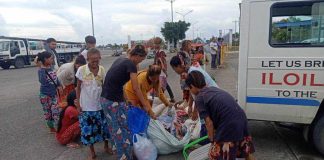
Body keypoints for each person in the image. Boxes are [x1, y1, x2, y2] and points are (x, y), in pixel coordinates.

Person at [185, 71, 255, 160]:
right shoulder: (213, 89)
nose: (190, 91)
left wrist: (212, 142)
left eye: (189, 89)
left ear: (192, 86)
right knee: (246, 153)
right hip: (241, 118)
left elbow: (208, 123)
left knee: (215, 155)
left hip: (229, 124)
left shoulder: (200, 97)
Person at [101, 44, 151, 160]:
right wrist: (145, 105)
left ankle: (123, 154)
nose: (140, 62)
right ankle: (124, 157)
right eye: (141, 59)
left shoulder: (121, 59)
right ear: (137, 56)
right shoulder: (131, 65)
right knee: (121, 132)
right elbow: (136, 87)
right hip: (113, 102)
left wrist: (127, 99)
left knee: (117, 129)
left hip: (105, 99)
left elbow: (119, 83)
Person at [75, 48, 112, 160]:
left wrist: (107, 102)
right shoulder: (81, 70)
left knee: (105, 128)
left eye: (97, 60)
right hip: (86, 106)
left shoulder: (102, 69)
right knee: (88, 130)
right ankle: (92, 152)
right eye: (92, 60)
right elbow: (77, 88)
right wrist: (78, 105)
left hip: (100, 105)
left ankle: (106, 146)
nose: (95, 62)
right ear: (87, 59)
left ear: (100, 58)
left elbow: (105, 87)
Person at [37, 51, 63, 133]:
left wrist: (59, 85)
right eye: (51, 58)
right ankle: (51, 128)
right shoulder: (41, 70)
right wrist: (41, 68)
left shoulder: (51, 68)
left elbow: (55, 78)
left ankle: (59, 127)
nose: (52, 60)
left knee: (55, 111)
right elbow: (42, 81)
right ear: (45, 59)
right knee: (48, 112)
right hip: (45, 95)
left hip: (53, 94)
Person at [152, 37, 175, 103]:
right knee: (165, 85)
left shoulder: (161, 52)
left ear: (159, 44)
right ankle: (171, 97)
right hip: (158, 71)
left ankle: (161, 99)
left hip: (160, 72)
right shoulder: (157, 52)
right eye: (155, 43)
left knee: (161, 85)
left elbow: (163, 63)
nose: (155, 45)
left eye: (156, 43)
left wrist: (165, 72)